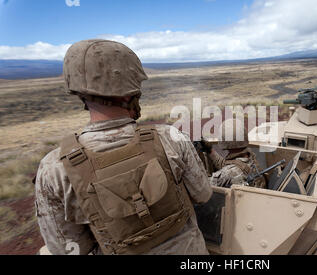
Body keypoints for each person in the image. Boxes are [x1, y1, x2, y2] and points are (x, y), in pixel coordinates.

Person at [34, 39, 212, 255]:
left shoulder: (53, 168)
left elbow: (66, 249)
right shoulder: (171, 137)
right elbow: (203, 194)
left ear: (80, 93)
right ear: (130, 93)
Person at [198, 119, 266, 189]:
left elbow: (203, 187)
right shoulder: (251, 157)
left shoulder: (227, 174)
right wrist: (210, 150)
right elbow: (225, 165)